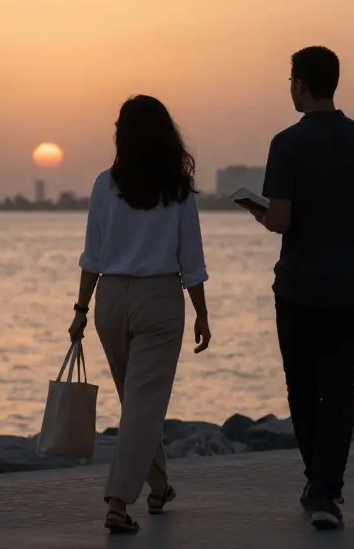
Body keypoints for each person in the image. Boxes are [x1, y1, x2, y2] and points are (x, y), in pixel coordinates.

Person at [247, 46, 354, 530]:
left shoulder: (286, 144)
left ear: (300, 84)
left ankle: (319, 483)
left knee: (302, 389)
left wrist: (255, 209)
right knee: (340, 388)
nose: (288, 88)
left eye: (290, 80)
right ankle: (326, 494)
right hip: (353, 287)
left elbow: (281, 219)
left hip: (298, 287)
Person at [67, 94, 212, 535]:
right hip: (159, 301)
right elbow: (192, 261)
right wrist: (202, 314)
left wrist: (81, 308)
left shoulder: (102, 185)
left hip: (111, 299)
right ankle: (117, 502)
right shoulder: (178, 190)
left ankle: (160, 486)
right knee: (143, 407)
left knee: (138, 406)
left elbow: (92, 256)